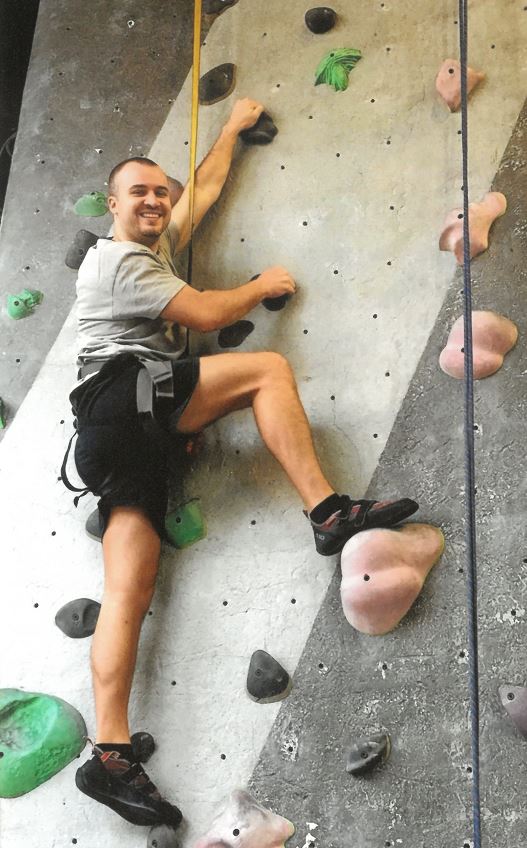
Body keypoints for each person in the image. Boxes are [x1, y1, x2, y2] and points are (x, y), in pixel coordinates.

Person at [67, 97, 418, 828]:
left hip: (119, 429)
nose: (157, 199)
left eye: (159, 190)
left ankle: (107, 751)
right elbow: (203, 313)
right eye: (140, 191)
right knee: (263, 370)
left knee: (128, 592)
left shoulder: (149, 249)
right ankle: (328, 511)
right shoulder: (120, 260)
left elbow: (203, 192)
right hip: (121, 400)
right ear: (112, 204)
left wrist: (227, 130)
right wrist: (260, 287)